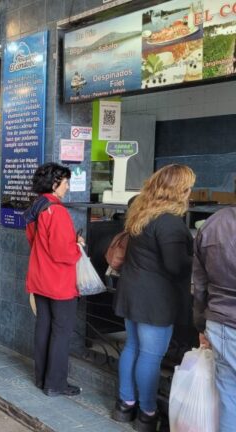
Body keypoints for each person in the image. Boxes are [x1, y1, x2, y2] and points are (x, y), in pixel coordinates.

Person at [111, 164, 196, 431]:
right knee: (150, 355)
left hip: (133, 292)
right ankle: (147, 413)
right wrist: (199, 258)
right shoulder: (169, 222)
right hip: (155, 300)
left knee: (133, 348)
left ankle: (125, 405)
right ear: (179, 190)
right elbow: (175, 266)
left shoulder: (141, 212)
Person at [24, 163, 83, 397]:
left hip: (40, 277)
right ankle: (55, 383)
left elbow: (34, 241)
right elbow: (63, 253)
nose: (67, 187)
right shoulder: (56, 211)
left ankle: (41, 378)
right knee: (61, 332)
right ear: (55, 183)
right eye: (66, 182)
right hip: (58, 282)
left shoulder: (37, 206)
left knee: (44, 327)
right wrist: (78, 246)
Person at [193, 206, 236, 431]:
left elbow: (200, 284)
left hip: (219, 322)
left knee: (228, 397)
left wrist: (201, 323)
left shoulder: (214, 222)